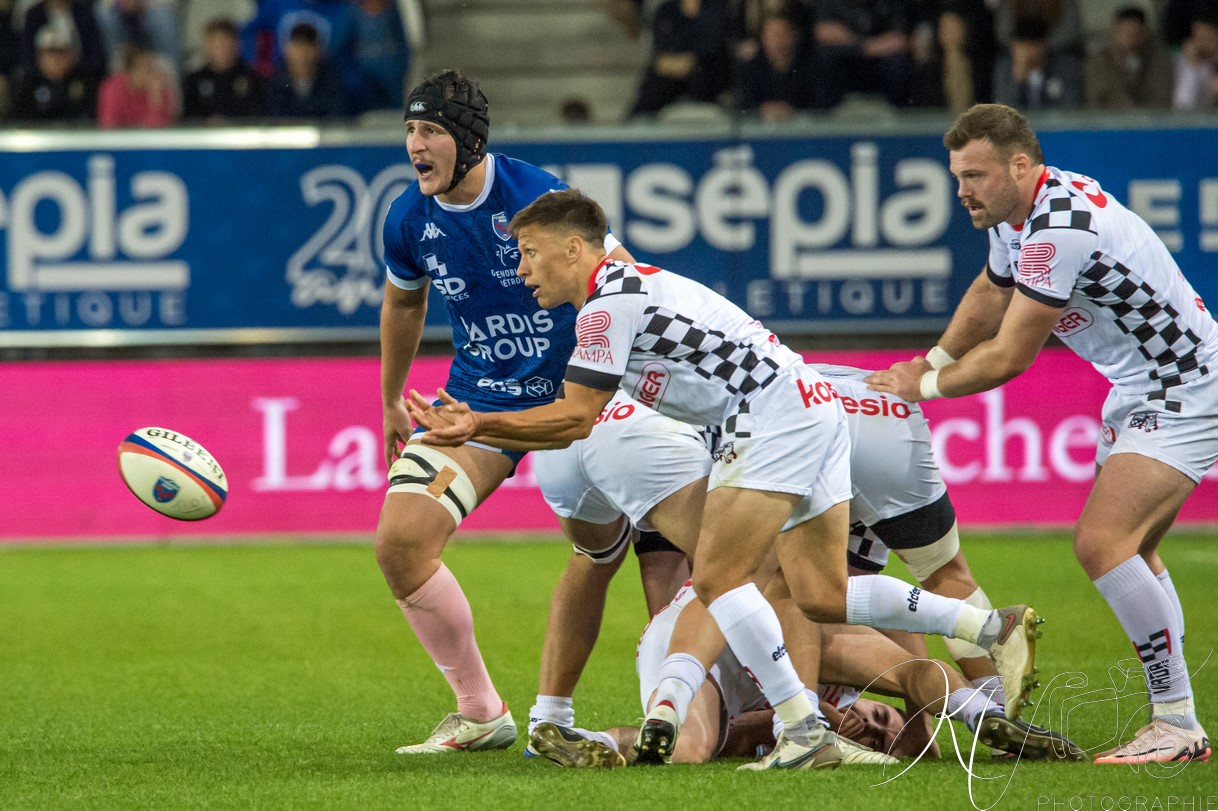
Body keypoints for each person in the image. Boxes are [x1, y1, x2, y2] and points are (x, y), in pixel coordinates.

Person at [407, 188, 1042, 771]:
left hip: (770, 418)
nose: (521, 269)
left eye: (529, 252)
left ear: (573, 248)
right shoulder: (633, 288)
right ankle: (989, 627)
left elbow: (576, 418)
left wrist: (478, 424)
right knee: (817, 592)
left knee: (717, 576)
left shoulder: (605, 310)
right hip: (813, 406)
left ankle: (802, 726)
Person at [867, 102, 1217, 765]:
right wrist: (934, 360)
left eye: (974, 174)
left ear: (1020, 165)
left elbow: (1009, 356)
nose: (962, 190)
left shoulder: (1058, 228)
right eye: (956, 176)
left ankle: (1177, 723)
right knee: (1133, 551)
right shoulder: (1021, 214)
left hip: (1184, 385)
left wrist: (926, 388)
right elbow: (991, 292)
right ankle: (1178, 720)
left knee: (1102, 543)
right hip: (1145, 385)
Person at [378, 70, 635, 755]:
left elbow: (621, 281)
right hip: (476, 404)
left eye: (429, 130)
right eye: (410, 129)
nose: (415, 145)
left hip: (572, 403)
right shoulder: (409, 217)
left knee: (618, 551)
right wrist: (389, 399)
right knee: (401, 542)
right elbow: (405, 302)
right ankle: (481, 712)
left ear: (466, 139)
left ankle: (697, 707)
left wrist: (621, 387)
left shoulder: (540, 197)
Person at [529, 579, 1082, 768]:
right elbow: (922, 675)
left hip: (737, 685)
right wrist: (975, 717)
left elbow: (736, 736)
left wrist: (807, 721)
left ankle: (591, 742)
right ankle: (984, 672)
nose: (870, 729)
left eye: (875, 741)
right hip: (710, 620)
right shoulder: (846, 652)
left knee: (691, 746)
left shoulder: (810, 720)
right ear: (876, 699)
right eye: (880, 719)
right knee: (796, 592)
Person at [1083, 6, 1172, 111]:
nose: (1130, 38)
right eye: (1125, 33)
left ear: (1144, 32)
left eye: (1135, 33)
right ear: (1115, 31)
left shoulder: (1159, 60)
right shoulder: (1099, 61)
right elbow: (1095, 97)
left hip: (1150, 121)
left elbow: (1162, 95)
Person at [182, 17, 266, 122]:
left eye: (223, 43)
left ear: (235, 44)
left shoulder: (251, 79)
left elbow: (257, 117)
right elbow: (188, 119)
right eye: (214, 44)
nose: (219, 49)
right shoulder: (194, 80)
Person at [10, 24, 98, 123]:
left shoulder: (85, 81)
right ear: (39, 56)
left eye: (62, 52)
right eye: (50, 52)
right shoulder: (28, 85)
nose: (56, 58)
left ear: (72, 55)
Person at [265, 20, 345, 118]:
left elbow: (335, 117)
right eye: (297, 46)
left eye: (307, 47)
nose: (302, 54)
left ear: (318, 50)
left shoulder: (331, 81)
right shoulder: (274, 83)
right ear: (287, 48)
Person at [97, 42, 177, 128]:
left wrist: (156, 99)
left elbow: (162, 130)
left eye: (152, 66)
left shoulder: (159, 88)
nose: (151, 72)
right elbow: (108, 126)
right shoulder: (112, 89)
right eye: (145, 67)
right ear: (130, 70)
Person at [1172, 12, 1218, 111]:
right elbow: (1183, 105)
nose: (1203, 42)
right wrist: (1192, 66)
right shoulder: (1184, 61)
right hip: (1196, 122)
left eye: (1208, 37)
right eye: (1199, 37)